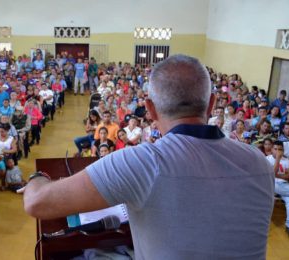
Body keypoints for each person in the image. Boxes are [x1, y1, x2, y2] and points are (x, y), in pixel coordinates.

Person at [23, 55, 274, 259]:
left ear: (150, 108)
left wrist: (39, 176)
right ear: (211, 104)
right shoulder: (259, 162)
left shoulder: (145, 162)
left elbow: (36, 203)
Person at [265, 141, 289, 233]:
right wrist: (278, 159)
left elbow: (288, 176)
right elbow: (271, 175)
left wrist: (277, 175)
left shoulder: (287, 161)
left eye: (280, 149)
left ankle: (288, 225)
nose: (278, 152)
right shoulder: (267, 159)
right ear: (271, 150)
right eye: (275, 149)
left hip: (284, 186)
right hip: (271, 185)